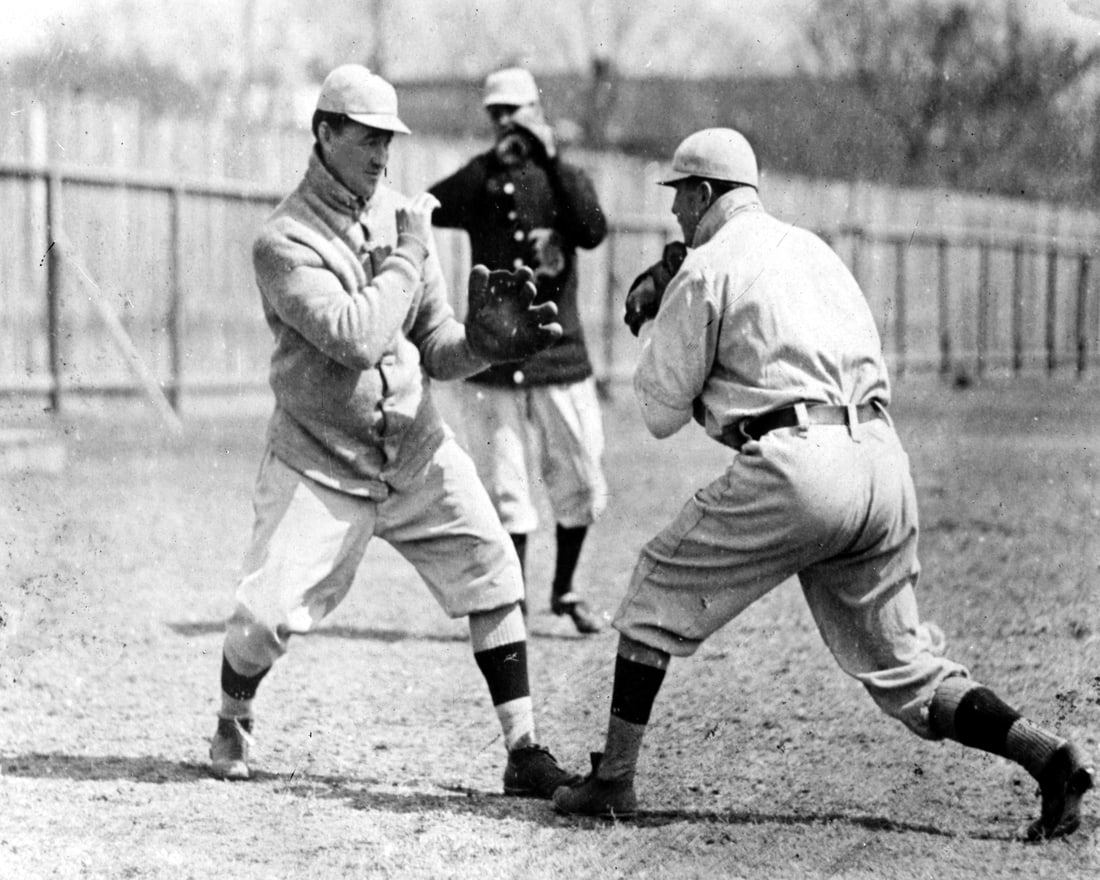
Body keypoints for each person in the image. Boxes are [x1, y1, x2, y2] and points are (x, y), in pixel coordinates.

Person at [551, 128, 1095, 841]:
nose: (675, 212)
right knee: (906, 666)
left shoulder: (707, 266)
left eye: (681, 196)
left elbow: (658, 412)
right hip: (880, 458)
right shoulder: (813, 249)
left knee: (655, 585)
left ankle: (613, 779)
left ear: (704, 193)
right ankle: (1046, 755)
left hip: (800, 463)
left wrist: (661, 312)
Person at [207, 64, 580, 800]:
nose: (383, 155)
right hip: (321, 459)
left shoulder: (399, 216)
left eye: (390, 140)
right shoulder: (283, 239)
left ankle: (523, 747)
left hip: (413, 446)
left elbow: (435, 341)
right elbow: (355, 336)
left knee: (494, 567)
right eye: (368, 138)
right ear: (325, 134)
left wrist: (484, 346)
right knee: (264, 619)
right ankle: (231, 716)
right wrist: (411, 249)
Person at [428, 67, 609, 635]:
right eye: (496, 114)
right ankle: (518, 598)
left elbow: (593, 229)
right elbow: (430, 204)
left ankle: (568, 587)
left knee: (579, 474)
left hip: (559, 356)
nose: (506, 123)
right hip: (496, 362)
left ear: (536, 110)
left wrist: (551, 157)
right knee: (504, 484)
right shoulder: (483, 178)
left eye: (516, 111)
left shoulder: (564, 177)